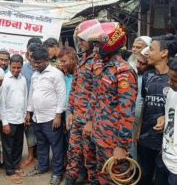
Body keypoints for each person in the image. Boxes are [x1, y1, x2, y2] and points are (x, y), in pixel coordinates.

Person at [90, 22, 137, 184]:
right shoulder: (103, 66)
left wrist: (121, 146)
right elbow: (96, 99)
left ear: (110, 44)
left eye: (98, 45)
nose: (95, 49)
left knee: (117, 180)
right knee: (103, 177)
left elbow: (127, 113)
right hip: (100, 137)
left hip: (113, 142)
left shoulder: (124, 72)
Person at [138, 34, 177, 185]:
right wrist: (139, 132)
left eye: (151, 49)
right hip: (146, 138)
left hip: (166, 146)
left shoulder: (174, 80)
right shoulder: (147, 76)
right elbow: (144, 104)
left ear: (164, 53)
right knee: (145, 176)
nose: (147, 52)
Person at [65, 19, 100, 185]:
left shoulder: (98, 62)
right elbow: (74, 88)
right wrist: (70, 111)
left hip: (89, 121)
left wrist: (91, 120)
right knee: (73, 153)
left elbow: (98, 94)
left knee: (90, 157)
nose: (79, 43)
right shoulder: (82, 60)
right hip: (77, 117)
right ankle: (70, 179)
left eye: (82, 40)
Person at [25, 44, 66, 185]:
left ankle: (57, 173)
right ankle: (42, 167)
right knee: (41, 144)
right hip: (37, 117)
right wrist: (29, 112)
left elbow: (62, 95)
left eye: (38, 62)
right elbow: (31, 94)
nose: (35, 65)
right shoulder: (35, 75)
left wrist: (58, 115)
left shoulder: (56, 74)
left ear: (46, 59)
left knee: (56, 146)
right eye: (33, 62)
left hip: (51, 118)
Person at [0, 54, 27, 184]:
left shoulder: (23, 79)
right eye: (13, 67)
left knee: (18, 145)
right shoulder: (4, 80)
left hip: (20, 119)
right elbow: (2, 103)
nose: (16, 70)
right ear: (9, 65)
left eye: (19, 67)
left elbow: (25, 98)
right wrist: (5, 123)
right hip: (8, 120)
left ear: (22, 66)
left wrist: (26, 115)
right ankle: (9, 171)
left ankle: (15, 167)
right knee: (8, 147)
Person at [20, 38, 41, 169]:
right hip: (26, 106)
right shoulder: (22, 68)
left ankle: (40, 156)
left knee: (41, 133)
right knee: (29, 131)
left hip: (41, 106)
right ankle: (30, 156)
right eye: (30, 51)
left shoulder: (43, 66)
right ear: (27, 53)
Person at [162, 57, 177, 185]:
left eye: (175, 80)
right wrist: (164, 118)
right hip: (165, 158)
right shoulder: (172, 91)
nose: (169, 83)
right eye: (169, 78)